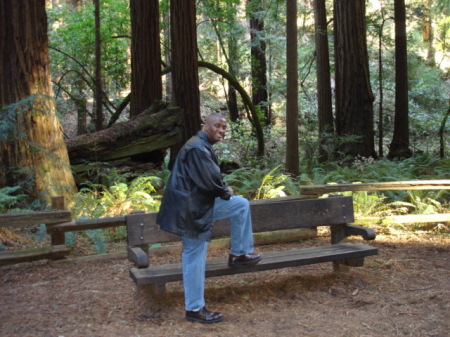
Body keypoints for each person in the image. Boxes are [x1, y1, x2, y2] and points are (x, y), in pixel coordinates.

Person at [156, 113, 261, 324]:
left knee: (241, 205)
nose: (221, 131)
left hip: (197, 205)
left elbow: (208, 179)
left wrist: (224, 191)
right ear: (206, 125)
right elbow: (210, 182)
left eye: (224, 128)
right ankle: (194, 308)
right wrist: (225, 190)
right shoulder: (197, 148)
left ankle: (239, 253)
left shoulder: (201, 145)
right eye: (217, 126)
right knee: (194, 255)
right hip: (190, 211)